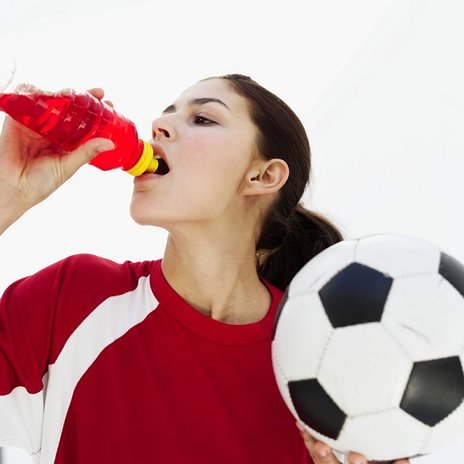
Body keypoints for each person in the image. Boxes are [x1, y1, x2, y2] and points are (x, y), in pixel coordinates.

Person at [0, 74, 410, 464]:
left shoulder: (320, 358)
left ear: (263, 175)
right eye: (166, 112)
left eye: (202, 118)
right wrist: (7, 195)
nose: (158, 124)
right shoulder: (72, 297)